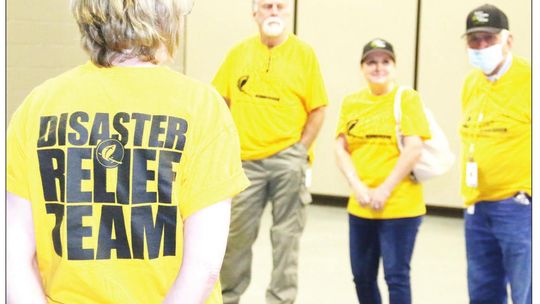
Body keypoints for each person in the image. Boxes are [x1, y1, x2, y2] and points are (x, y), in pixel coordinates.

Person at [6, 0, 250, 303]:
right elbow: (204, 268)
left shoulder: (38, 106)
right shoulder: (202, 108)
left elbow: (14, 257)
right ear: (166, 17)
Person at [211, 0, 328, 303]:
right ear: (254, 13)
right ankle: (228, 297)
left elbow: (318, 108)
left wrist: (300, 150)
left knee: (286, 238)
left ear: (288, 12)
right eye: (266, 5)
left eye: (279, 5)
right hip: (245, 163)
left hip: (288, 160)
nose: (273, 11)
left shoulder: (305, 55)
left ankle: (281, 299)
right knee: (236, 238)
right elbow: (219, 101)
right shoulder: (238, 53)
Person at [335, 38, 431, 304]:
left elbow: (414, 149)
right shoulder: (351, 102)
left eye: (385, 61)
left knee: (396, 276)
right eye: (372, 62)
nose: (378, 68)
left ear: (395, 67)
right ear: (362, 68)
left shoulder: (408, 99)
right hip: (361, 205)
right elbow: (341, 147)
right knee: (362, 276)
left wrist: (384, 190)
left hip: (400, 207)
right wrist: (358, 186)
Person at [460, 4, 531, 304]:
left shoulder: (530, 80)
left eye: (489, 38)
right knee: (483, 292)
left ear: (508, 40)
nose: (481, 45)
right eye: (474, 39)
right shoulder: (471, 83)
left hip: (518, 207)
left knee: (526, 292)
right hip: (477, 206)